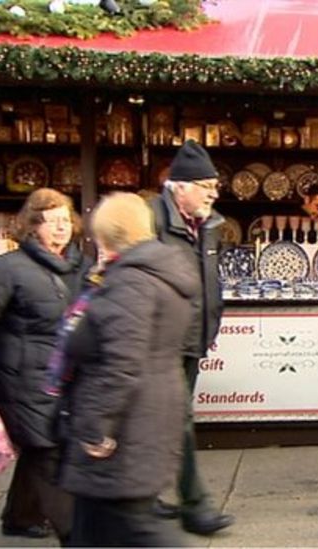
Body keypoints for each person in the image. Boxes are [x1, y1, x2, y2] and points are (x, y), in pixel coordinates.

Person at [57, 193, 199, 546]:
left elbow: (121, 361)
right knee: (94, 525)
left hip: (127, 422)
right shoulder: (157, 273)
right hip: (149, 408)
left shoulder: (131, 282)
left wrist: (95, 426)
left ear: (108, 235)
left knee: (135, 525)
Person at [150, 140, 235, 535]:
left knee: (163, 420)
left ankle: (142, 495)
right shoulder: (151, 220)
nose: (214, 194)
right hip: (159, 341)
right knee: (180, 419)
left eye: (215, 186)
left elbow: (208, 283)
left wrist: (210, 326)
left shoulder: (208, 224)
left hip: (191, 337)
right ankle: (195, 505)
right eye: (206, 185)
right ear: (179, 186)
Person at [0, 189, 88, 543]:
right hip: (21, 378)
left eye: (66, 220)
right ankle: (73, 532)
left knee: (42, 447)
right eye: (53, 221)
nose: (62, 228)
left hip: (62, 375)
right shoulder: (9, 268)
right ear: (33, 226)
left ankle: (20, 515)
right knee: (48, 449)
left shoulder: (78, 266)